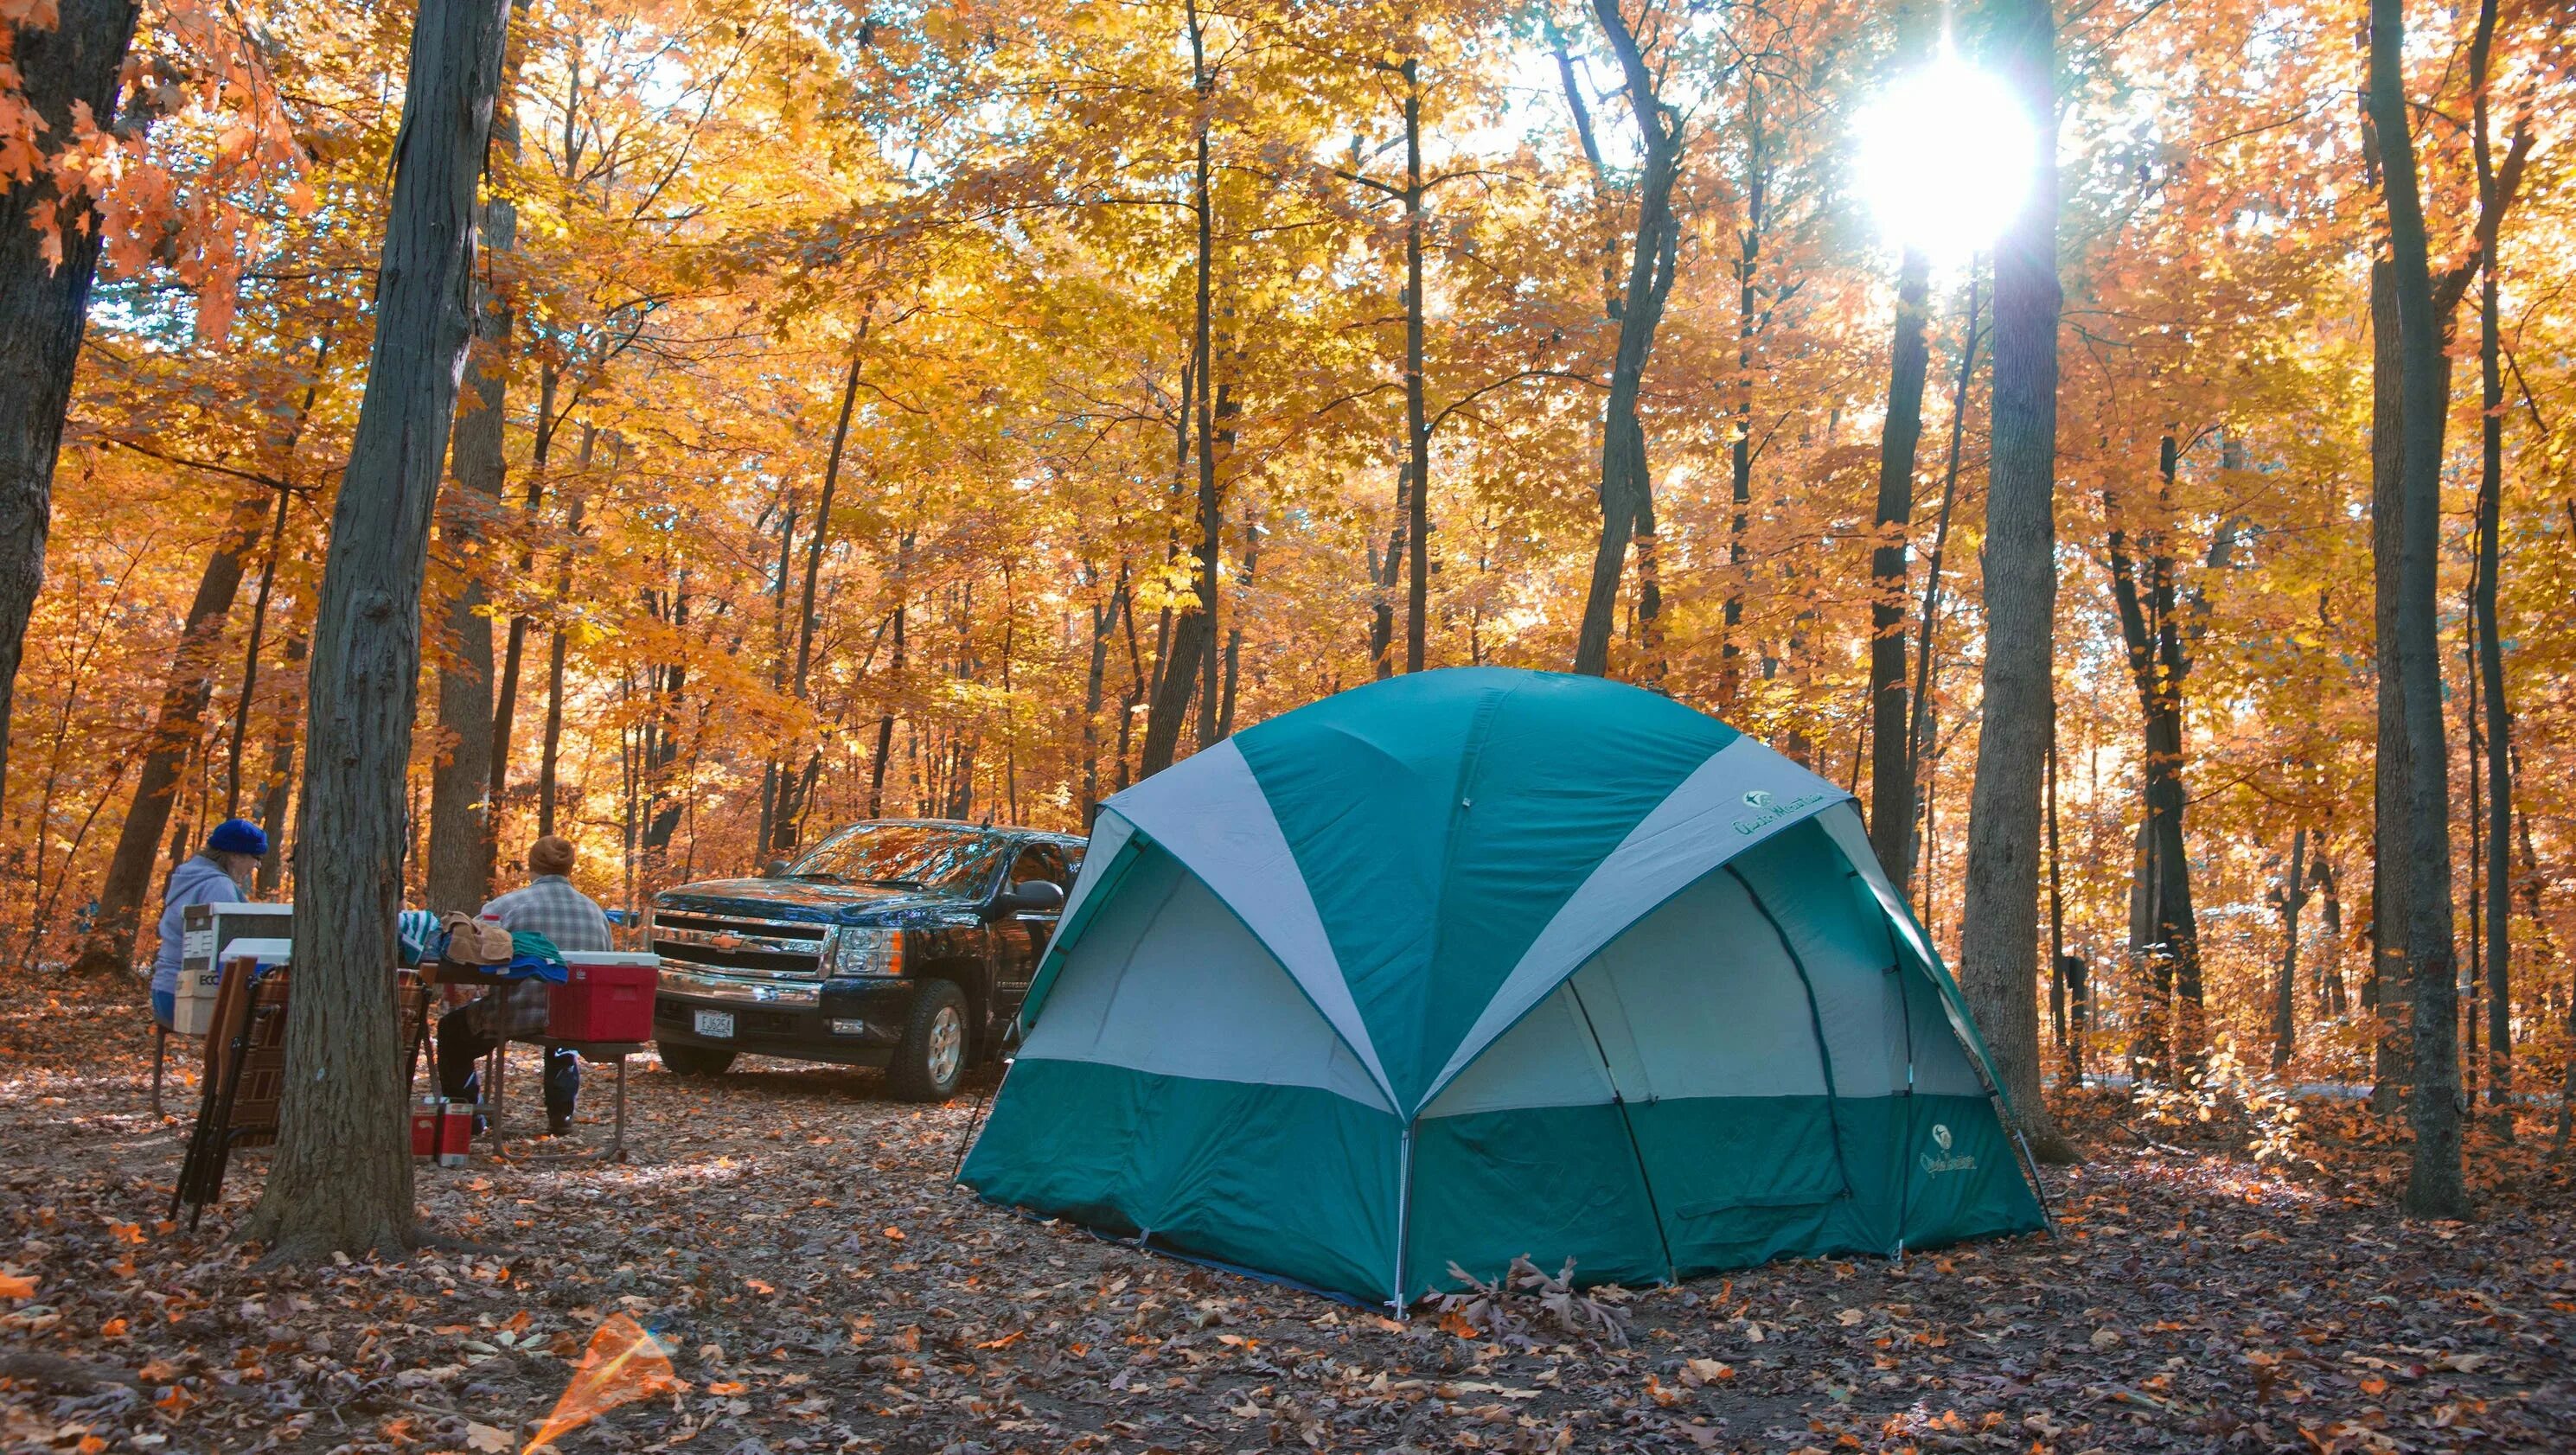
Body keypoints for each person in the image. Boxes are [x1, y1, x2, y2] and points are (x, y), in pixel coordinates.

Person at [437, 836, 611, 1136]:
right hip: (575, 1017)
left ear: (531, 866)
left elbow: (472, 950)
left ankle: (469, 1115)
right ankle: (561, 1114)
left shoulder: (507, 906)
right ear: (570, 868)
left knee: (451, 1031)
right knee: (560, 1037)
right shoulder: (596, 913)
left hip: (515, 1011)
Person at [149, 819, 267, 1029]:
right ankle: (223, 1062)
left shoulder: (191, 876)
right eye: (255, 857)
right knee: (271, 1023)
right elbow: (229, 948)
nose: (257, 865)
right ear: (234, 854)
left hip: (164, 990)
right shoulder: (217, 885)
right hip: (187, 998)